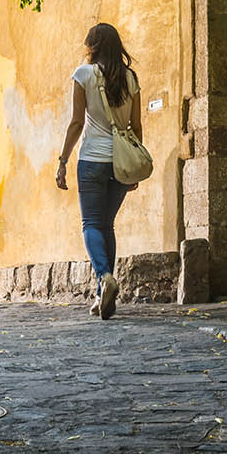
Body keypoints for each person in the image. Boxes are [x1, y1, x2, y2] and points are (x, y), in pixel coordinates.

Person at [55, 22, 141, 320]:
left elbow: (77, 123)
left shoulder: (84, 74)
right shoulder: (130, 78)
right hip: (120, 162)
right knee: (107, 225)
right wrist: (133, 168)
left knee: (91, 224)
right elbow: (136, 126)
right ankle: (102, 297)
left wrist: (63, 160)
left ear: (93, 46)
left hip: (92, 159)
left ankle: (104, 277)